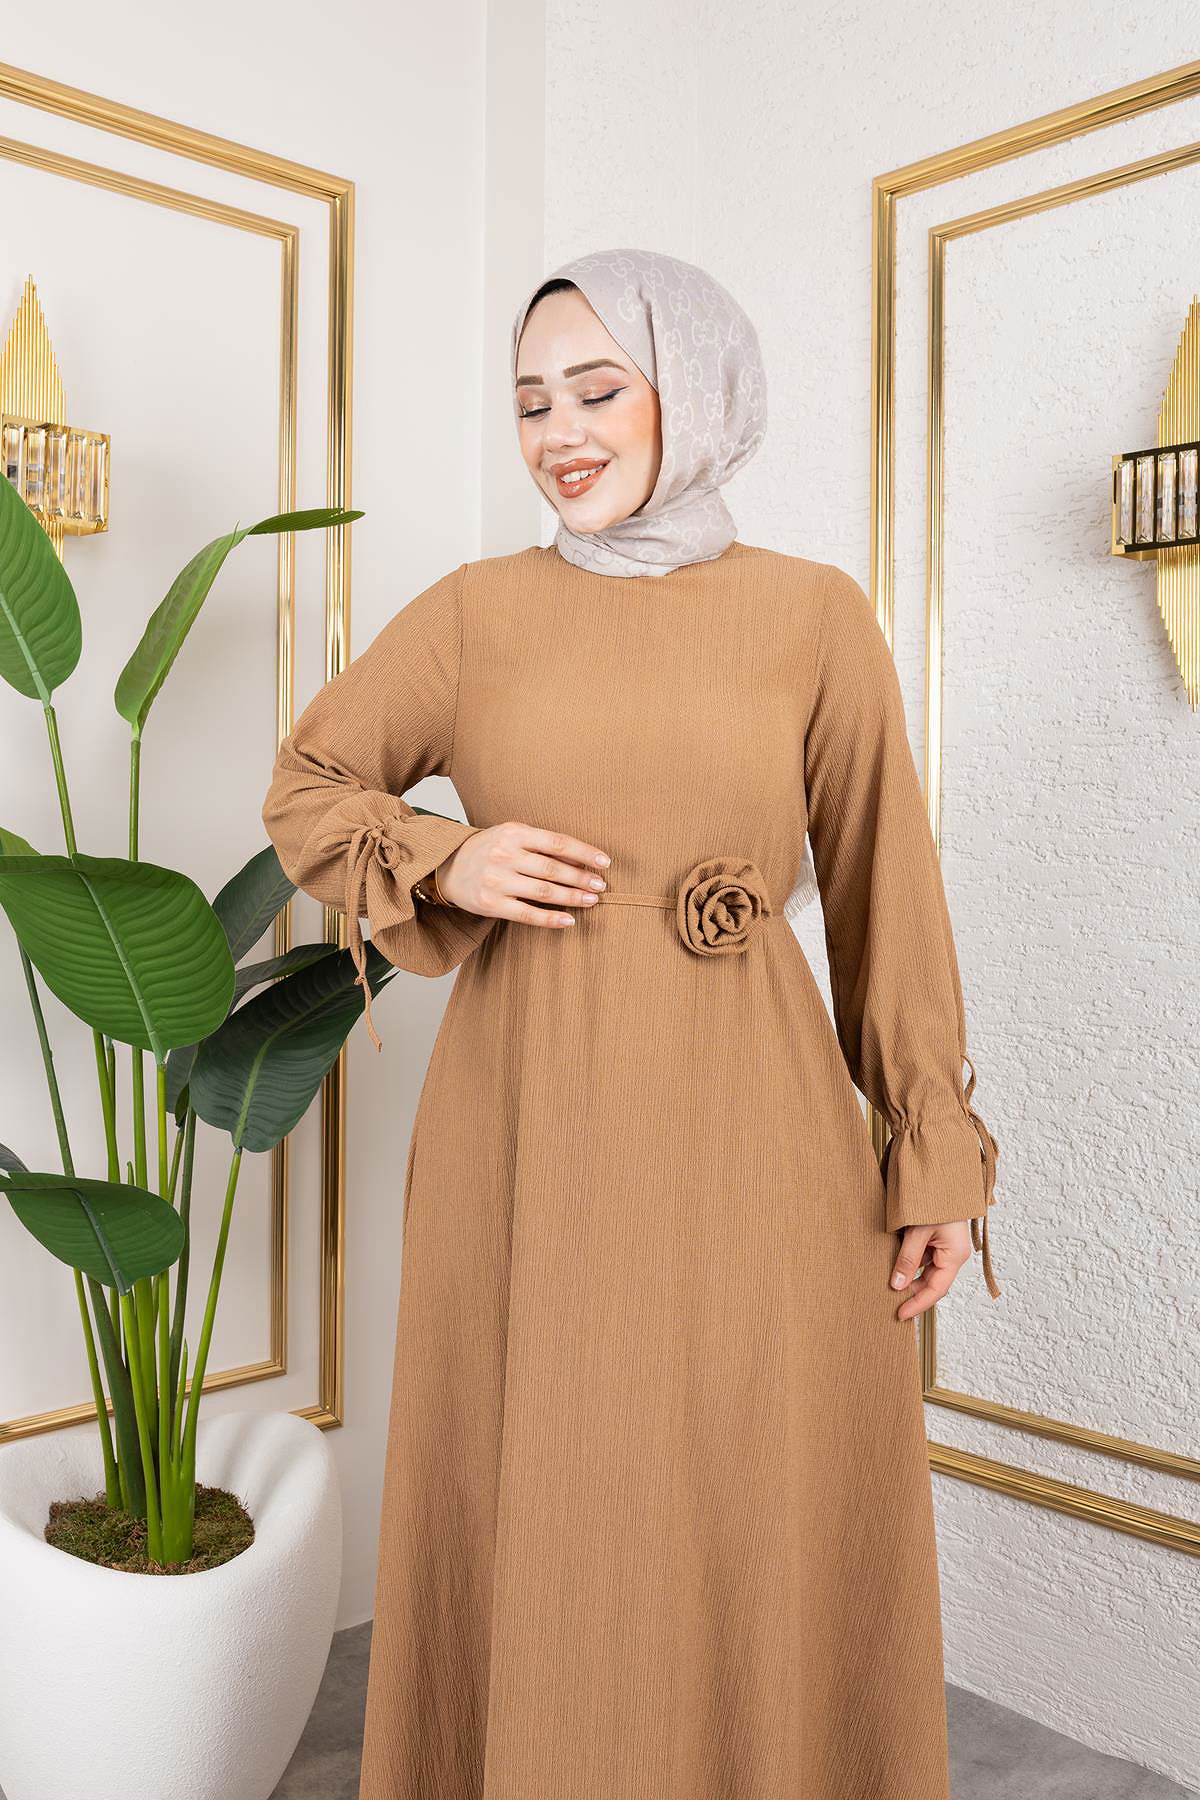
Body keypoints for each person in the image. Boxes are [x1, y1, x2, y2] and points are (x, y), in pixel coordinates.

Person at [261, 245, 1001, 1800]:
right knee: (565, 1485)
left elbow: (889, 889)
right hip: (534, 1120)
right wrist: (448, 855)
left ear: (698, 392)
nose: (560, 434)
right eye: (532, 402)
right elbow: (309, 788)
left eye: (599, 390)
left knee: (748, 1482)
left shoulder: (813, 615)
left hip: (757, 1123)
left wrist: (931, 1149)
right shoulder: (475, 614)